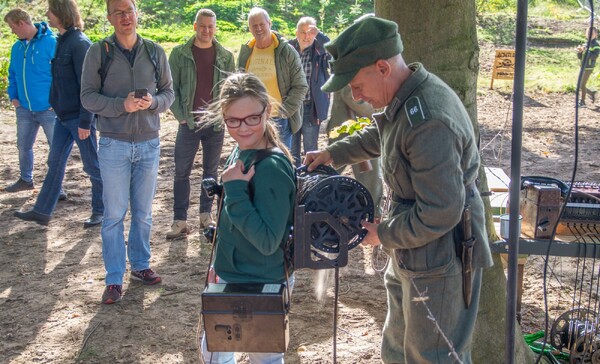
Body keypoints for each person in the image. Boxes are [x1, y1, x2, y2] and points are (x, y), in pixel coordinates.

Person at [305, 16, 493, 363]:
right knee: (397, 345)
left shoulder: (429, 120)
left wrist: (384, 234)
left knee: (432, 354)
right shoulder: (407, 97)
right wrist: (334, 153)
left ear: (381, 67)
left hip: (439, 254)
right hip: (412, 247)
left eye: (356, 85)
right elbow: (385, 135)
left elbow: (441, 211)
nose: (354, 95)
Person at [80, 0, 174, 304]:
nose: (125, 17)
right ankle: (113, 278)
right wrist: (122, 105)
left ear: (137, 14)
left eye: (129, 11)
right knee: (114, 215)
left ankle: (141, 265)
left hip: (149, 142)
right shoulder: (99, 52)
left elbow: (169, 92)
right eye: (118, 12)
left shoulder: (155, 51)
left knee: (144, 214)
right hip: (113, 144)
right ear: (109, 18)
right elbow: (87, 97)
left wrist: (154, 103)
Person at [199, 73, 295, 364]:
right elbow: (230, 224)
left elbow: (267, 241)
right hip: (233, 274)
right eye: (233, 121)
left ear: (267, 110)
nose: (243, 128)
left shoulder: (271, 167)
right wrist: (220, 263)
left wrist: (237, 191)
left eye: (252, 118)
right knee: (214, 354)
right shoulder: (241, 151)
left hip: (262, 280)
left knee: (264, 359)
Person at [14, 0, 103, 228]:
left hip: (79, 119)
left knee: (92, 166)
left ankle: (101, 211)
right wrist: (54, 102)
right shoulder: (61, 41)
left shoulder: (79, 43)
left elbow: (88, 86)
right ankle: (42, 211)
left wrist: (86, 121)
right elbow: (57, 80)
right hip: (64, 117)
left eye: (50, 11)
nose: (46, 15)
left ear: (61, 13)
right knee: (55, 163)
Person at [165, 8, 235, 239]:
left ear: (215, 28)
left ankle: (206, 216)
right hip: (189, 124)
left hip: (215, 125)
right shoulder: (179, 53)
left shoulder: (225, 55)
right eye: (202, 26)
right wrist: (180, 115)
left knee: (211, 172)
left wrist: (225, 113)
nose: (206, 30)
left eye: (211, 27)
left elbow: (230, 90)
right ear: (195, 26)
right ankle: (179, 221)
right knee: (181, 172)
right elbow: (168, 87)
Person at [3, 9, 63, 195]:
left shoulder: (51, 43)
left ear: (22, 23)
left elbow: (61, 75)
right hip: (24, 108)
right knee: (23, 145)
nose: (13, 31)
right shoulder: (17, 47)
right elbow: (12, 73)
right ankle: (26, 179)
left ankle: (57, 187)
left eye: (13, 27)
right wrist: (13, 96)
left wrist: (57, 100)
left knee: (56, 148)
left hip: (48, 109)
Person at [237, 7, 308, 149]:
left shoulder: (286, 51)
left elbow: (301, 86)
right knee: (253, 164)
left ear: (269, 23)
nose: (258, 29)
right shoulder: (246, 52)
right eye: (254, 25)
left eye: (261, 24)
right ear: (249, 28)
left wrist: (284, 111)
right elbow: (239, 84)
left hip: (278, 120)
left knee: (278, 163)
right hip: (251, 121)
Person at [326, 84, 384, 220]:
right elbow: (350, 95)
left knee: (333, 173)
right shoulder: (354, 66)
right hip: (354, 127)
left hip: (350, 128)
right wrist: (378, 111)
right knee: (370, 176)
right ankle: (373, 215)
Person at [289, 16, 331, 167]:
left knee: (311, 150)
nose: (307, 36)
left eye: (311, 32)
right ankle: (294, 183)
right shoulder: (288, 49)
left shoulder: (320, 51)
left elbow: (335, 51)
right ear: (296, 33)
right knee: (290, 150)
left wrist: (320, 35)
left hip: (311, 107)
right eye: (303, 32)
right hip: (292, 107)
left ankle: (309, 183)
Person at [576, 26, 599, 108]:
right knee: (579, 84)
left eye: (592, 33)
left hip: (589, 67)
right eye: (588, 33)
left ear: (596, 34)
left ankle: (582, 102)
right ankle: (592, 93)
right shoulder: (585, 44)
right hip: (582, 66)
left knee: (582, 84)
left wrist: (586, 51)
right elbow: (580, 57)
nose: (589, 34)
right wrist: (579, 52)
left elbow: (594, 56)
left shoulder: (596, 44)